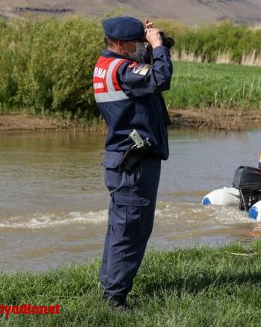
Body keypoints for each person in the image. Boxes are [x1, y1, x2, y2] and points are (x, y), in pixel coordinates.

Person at [93, 16, 173, 310]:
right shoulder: (124, 69)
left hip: (123, 161)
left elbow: (146, 79)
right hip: (134, 164)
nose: (142, 46)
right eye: (138, 42)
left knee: (120, 229)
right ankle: (114, 299)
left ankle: (110, 289)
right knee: (131, 231)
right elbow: (160, 78)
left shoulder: (108, 65)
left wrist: (156, 45)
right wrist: (158, 47)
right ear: (121, 44)